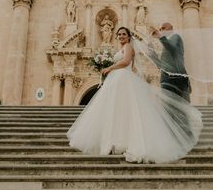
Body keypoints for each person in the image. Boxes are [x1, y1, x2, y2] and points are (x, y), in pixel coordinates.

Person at [67, 26, 202, 163]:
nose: (121, 36)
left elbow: (126, 62)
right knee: (117, 110)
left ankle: (184, 138)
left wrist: (110, 67)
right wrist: (150, 52)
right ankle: (116, 140)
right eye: (119, 34)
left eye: (123, 34)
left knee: (128, 110)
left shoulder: (132, 46)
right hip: (120, 79)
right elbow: (146, 65)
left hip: (145, 78)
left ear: (129, 36)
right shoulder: (122, 48)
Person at [149, 23, 192, 102]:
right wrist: (150, 50)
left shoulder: (176, 37)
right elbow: (160, 65)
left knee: (181, 106)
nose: (161, 30)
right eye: (160, 29)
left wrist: (160, 36)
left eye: (164, 28)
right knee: (167, 105)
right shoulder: (165, 46)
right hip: (166, 78)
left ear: (171, 28)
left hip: (177, 77)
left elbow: (171, 48)